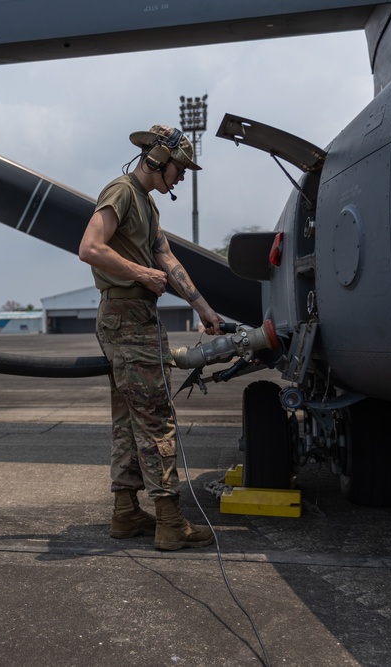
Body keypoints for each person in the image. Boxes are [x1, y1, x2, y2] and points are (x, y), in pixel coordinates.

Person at [78, 124, 224, 551]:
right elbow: (90, 246)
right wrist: (140, 273)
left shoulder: (147, 205)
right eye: (180, 169)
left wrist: (204, 309)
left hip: (133, 317)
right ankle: (169, 520)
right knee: (156, 417)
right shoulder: (122, 191)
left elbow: (167, 257)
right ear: (160, 159)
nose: (181, 177)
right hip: (127, 316)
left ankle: (126, 513)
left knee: (128, 416)